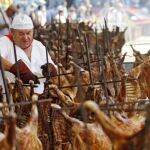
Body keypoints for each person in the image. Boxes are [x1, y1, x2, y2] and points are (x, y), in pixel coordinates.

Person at [0, 13, 57, 94]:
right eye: (21, 34)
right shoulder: (4, 42)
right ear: (12, 32)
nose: (25, 38)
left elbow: (54, 69)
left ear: (33, 31)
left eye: (28, 33)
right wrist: (15, 68)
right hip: (12, 98)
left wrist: (52, 69)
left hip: (41, 97)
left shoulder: (39, 46)